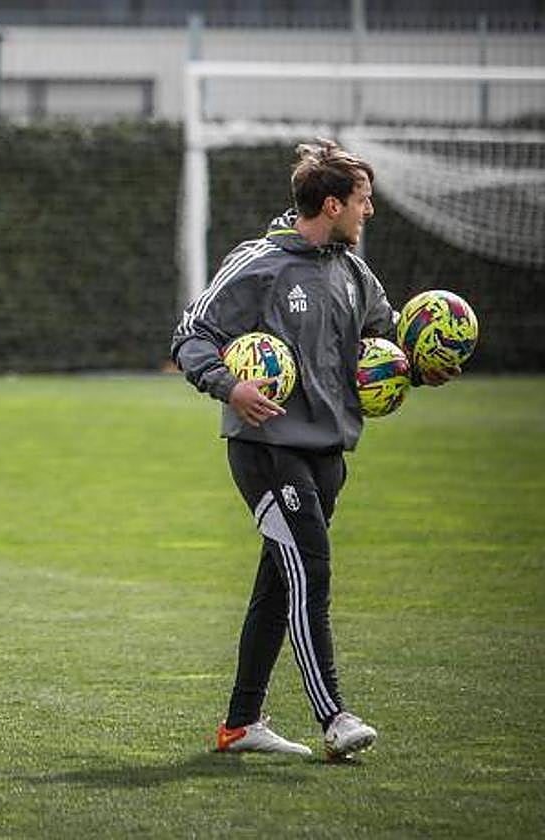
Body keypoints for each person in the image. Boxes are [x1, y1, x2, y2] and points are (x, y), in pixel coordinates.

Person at [171, 139, 455, 760]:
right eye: (363, 201)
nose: (369, 212)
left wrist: (417, 368)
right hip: (267, 448)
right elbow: (192, 334)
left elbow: (381, 344)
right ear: (332, 204)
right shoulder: (259, 263)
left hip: (329, 454)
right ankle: (334, 718)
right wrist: (230, 386)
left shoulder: (353, 272)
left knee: (280, 583)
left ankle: (240, 725)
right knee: (311, 572)